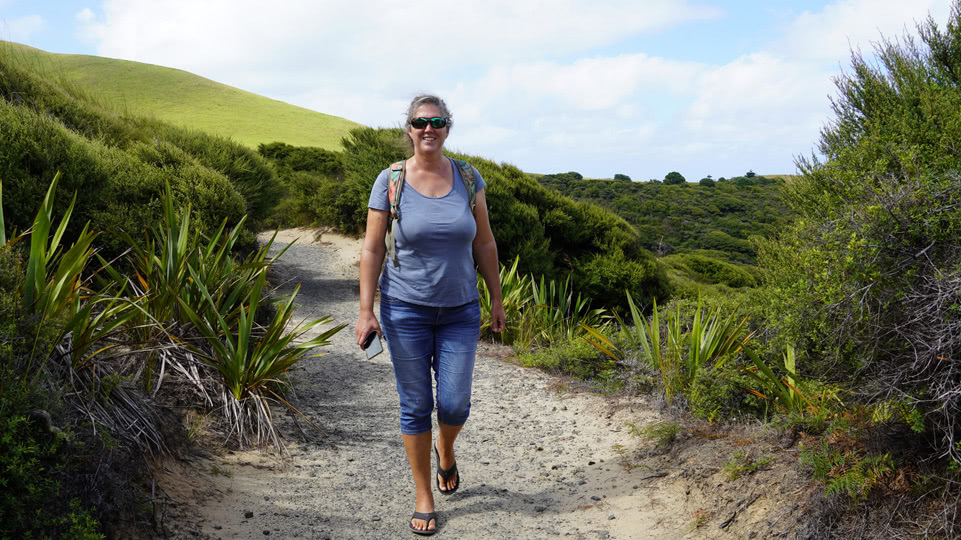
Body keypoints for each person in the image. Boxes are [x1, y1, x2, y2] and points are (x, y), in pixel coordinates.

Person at [355, 94, 507, 535]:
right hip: (405, 310)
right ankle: (424, 493)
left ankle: (447, 448)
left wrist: (496, 299)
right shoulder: (390, 180)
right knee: (416, 405)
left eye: (437, 122)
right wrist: (367, 311)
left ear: (447, 127)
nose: (429, 129)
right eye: (421, 122)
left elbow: (484, 242)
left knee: (455, 403)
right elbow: (371, 248)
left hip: (461, 309)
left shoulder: (467, 176)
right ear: (409, 128)